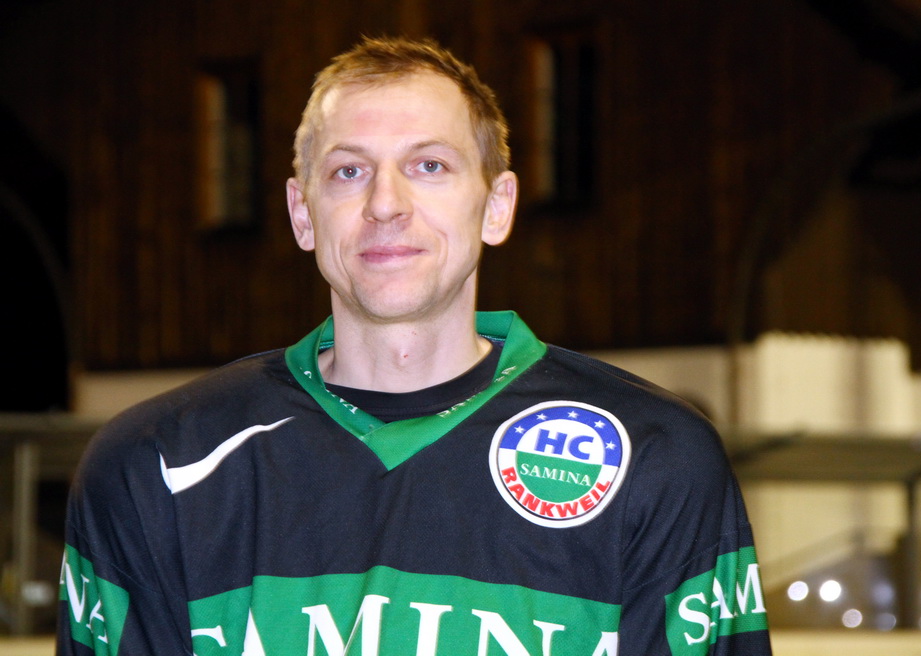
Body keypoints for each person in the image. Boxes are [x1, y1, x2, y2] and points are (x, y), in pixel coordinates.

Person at [57, 36, 771, 655]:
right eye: (349, 171)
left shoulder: (656, 457)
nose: (386, 204)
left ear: (496, 206)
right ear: (303, 214)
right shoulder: (154, 464)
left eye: (429, 166)